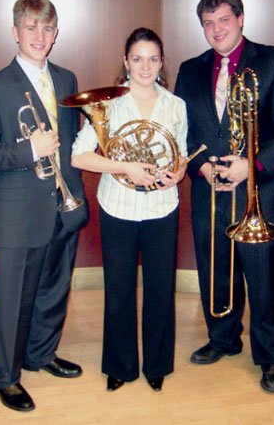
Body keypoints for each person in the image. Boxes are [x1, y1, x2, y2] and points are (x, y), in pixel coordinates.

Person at [174, 0, 274, 393]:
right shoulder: (189, 68)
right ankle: (223, 339)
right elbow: (184, 131)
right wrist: (200, 167)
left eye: (223, 20)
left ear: (241, 18)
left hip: (260, 191)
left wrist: (254, 164)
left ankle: (270, 356)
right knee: (217, 272)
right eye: (208, 23)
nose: (216, 29)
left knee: (264, 279)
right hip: (210, 190)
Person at [0, 0, 88, 412]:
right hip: (16, 212)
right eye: (31, 28)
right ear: (15, 32)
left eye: (47, 28)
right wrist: (27, 150)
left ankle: (40, 354)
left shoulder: (68, 79)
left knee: (54, 289)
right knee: (12, 298)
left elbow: (72, 139)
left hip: (62, 203)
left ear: (56, 34)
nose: (40, 36)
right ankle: (4, 375)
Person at [72, 28, 188, 393]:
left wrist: (177, 174)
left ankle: (157, 364)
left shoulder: (175, 105)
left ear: (162, 62)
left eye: (153, 59)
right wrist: (124, 167)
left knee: (159, 288)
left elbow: (180, 154)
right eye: (137, 58)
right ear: (125, 61)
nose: (145, 66)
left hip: (161, 207)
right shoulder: (108, 103)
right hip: (118, 207)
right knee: (119, 289)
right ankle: (120, 365)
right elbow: (79, 155)